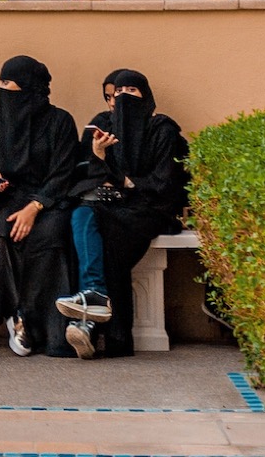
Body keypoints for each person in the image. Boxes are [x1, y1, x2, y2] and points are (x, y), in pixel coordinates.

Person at [56, 69, 190, 358]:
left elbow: (164, 182)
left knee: (105, 236)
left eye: (132, 93)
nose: (122, 99)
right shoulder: (102, 126)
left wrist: (128, 182)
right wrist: (100, 155)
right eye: (118, 94)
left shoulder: (162, 129)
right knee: (80, 215)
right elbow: (87, 177)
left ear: (146, 96)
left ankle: (89, 320)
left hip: (149, 209)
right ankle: (93, 306)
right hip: (111, 206)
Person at [0, 55, 82, 358]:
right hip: (10, 197)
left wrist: (36, 206)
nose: (2, 89)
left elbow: (64, 172)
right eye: (0, 83)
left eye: (7, 83)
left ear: (28, 88)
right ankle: (18, 317)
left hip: (52, 200)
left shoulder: (60, 121)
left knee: (46, 239)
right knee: (1, 237)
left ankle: (53, 332)